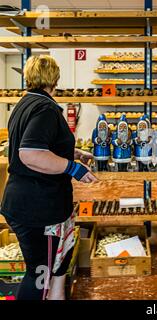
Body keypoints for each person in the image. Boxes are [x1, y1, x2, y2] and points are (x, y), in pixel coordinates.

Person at [0, 55, 98, 300]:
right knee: (40, 275)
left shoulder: (26, 103)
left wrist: (71, 152)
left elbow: (40, 145)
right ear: (55, 78)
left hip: (29, 202)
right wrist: (73, 167)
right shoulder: (45, 108)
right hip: (37, 208)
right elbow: (30, 153)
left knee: (57, 267)